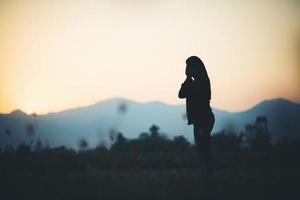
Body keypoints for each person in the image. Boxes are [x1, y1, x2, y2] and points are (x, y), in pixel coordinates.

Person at [178, 56, 215, 174]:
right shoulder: (198, 81)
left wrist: (188, 79)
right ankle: (207, 174)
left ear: (195, 68)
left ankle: (208, 174)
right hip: (201, 119)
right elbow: (181, 94)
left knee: (203, 148)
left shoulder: (200, 82)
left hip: (203, 119)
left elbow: (182, 93)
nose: (186, 69)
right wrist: (188, 79)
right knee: (202, 148)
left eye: (188, 67)